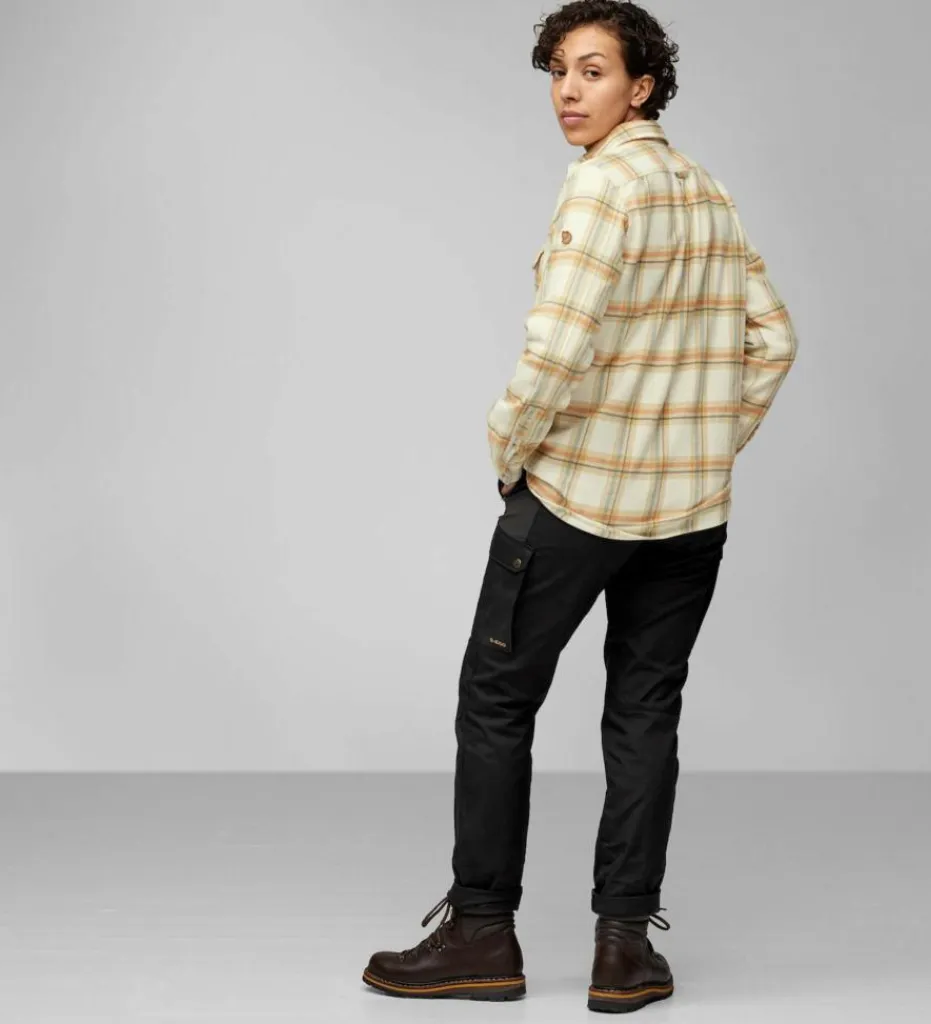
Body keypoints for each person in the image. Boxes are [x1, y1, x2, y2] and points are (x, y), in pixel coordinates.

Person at [362, 0, 798, 1012]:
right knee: (645, 712)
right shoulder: (706, 191)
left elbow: (556, 348)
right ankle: (623, 952)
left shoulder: (603, 186)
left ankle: (481, 934)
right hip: (689, 513)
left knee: (496, 701)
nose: (567, 90)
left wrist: (509, 450)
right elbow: (773, 339)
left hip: (575, 500)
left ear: (642, 86)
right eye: (558, 69)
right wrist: (706, 441)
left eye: (593, 71)